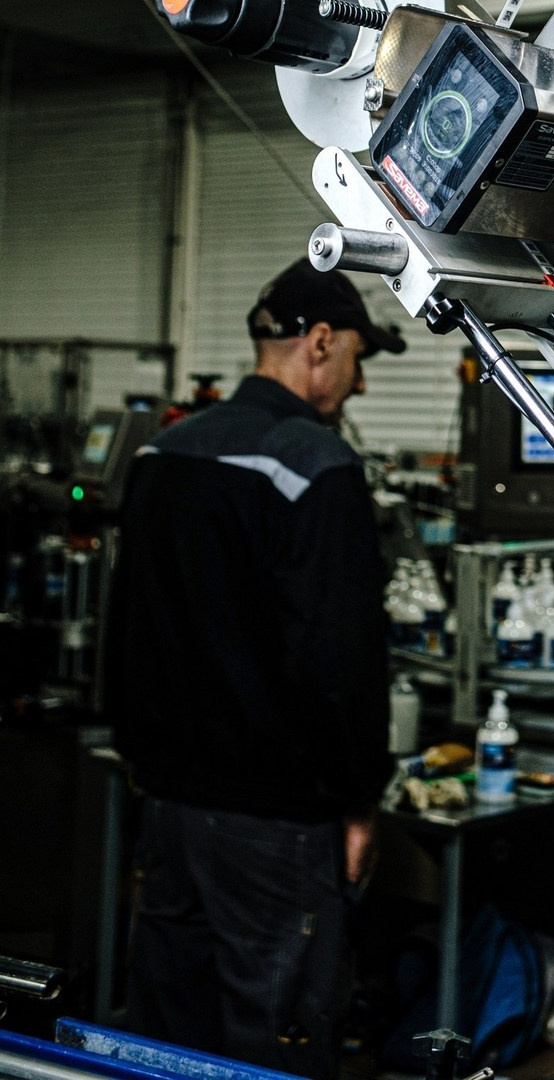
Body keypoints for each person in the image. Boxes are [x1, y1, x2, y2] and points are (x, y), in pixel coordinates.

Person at [105, 259, 407, 1080]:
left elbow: (123, 621)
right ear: (319, 342)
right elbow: (338, 662)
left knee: (164, 1038)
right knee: (273, 1039)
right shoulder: (316, 466)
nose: (359, 386)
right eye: (357, 358)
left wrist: (143, 760)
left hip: (168, 809)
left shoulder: (165, 453)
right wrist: (357, 803)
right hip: (276, 826)